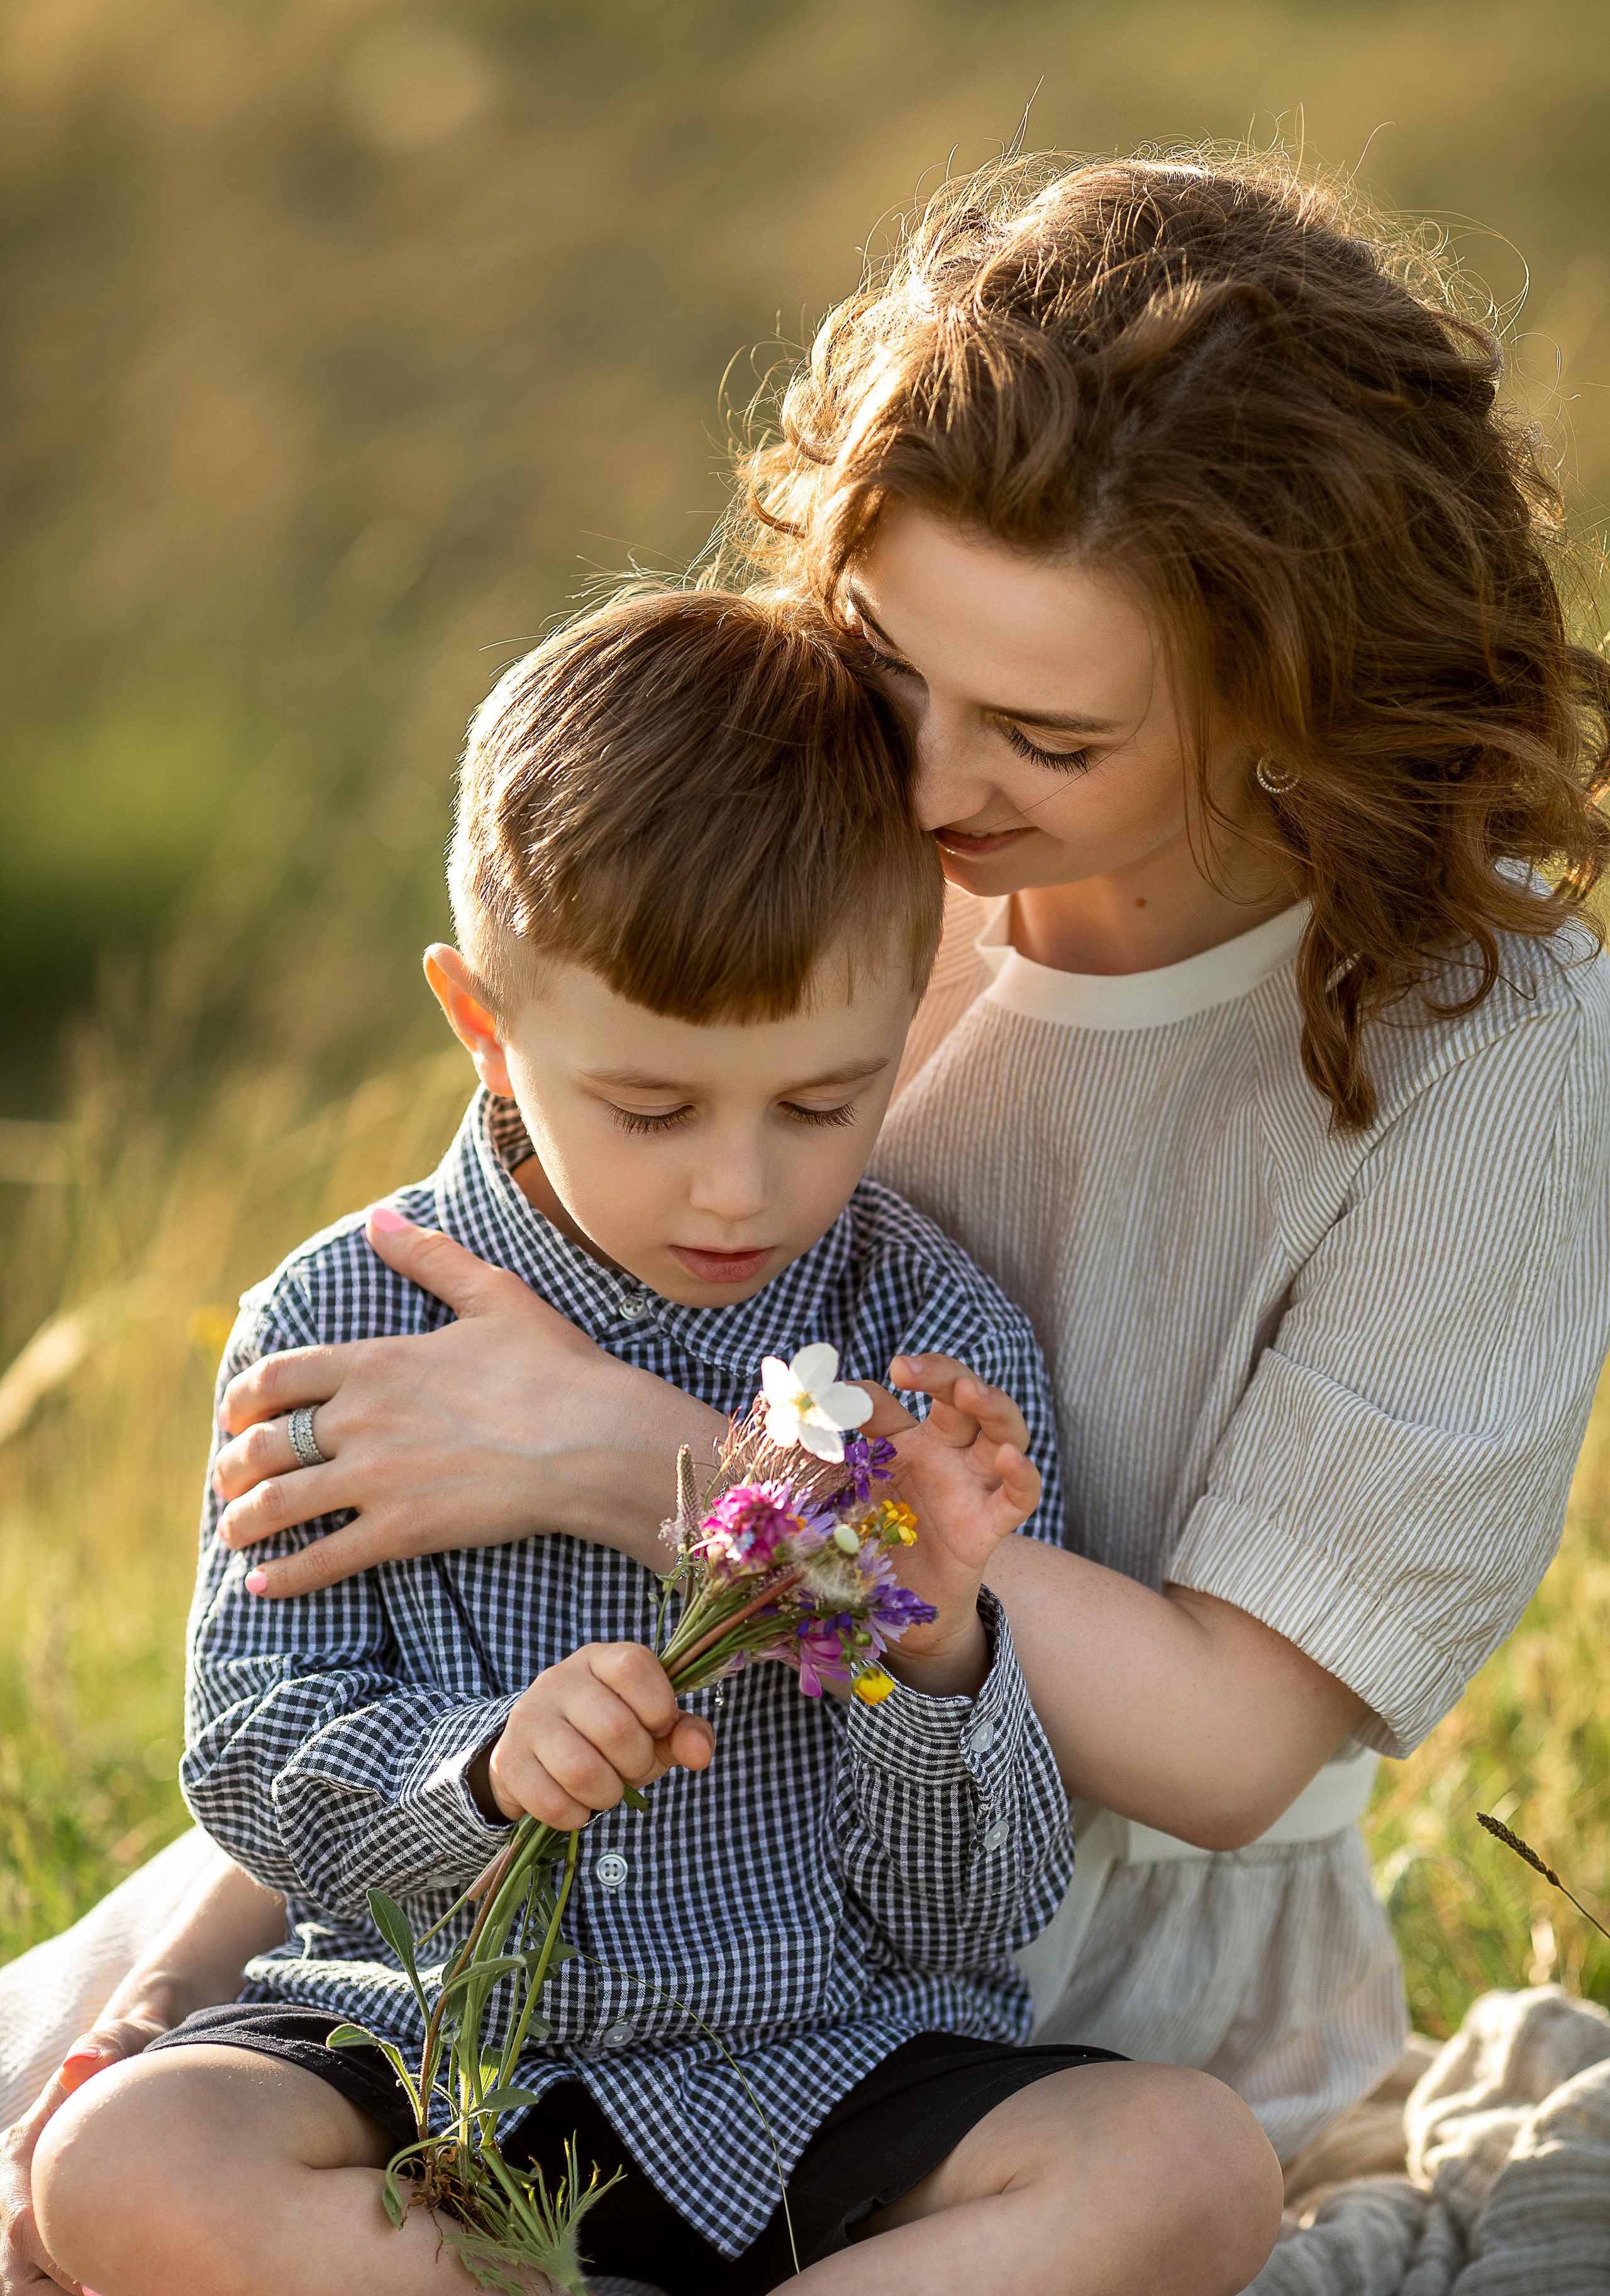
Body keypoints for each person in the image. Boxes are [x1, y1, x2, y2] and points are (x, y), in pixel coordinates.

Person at [7, 145, 1610, 2275]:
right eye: (888, 666)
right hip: (516, 1867)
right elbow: (423, 1524)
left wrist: (638, 1460)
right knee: (89, 2158)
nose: (930, 786)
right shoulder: (839, 832)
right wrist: (195, 1960)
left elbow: (1227, 1743)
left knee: (1150, 2192)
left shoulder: (1484, 1036)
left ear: (1290, 696)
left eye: (1046, 732)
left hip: (1012, 1938)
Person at [29, 592, 1282, 2296]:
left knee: (1193, 2165)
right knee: (134, 2159)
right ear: (485, 1024)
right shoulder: (339, 1325)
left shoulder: (936, 1352)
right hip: (447, 2064)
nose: (737, 1189)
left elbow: (974, 1913)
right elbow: (256, 1756)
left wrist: (938, 1645)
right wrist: (476, 1774)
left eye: (823, 1103)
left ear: (909, 1007)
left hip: (831, 2068)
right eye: (651, 1108)